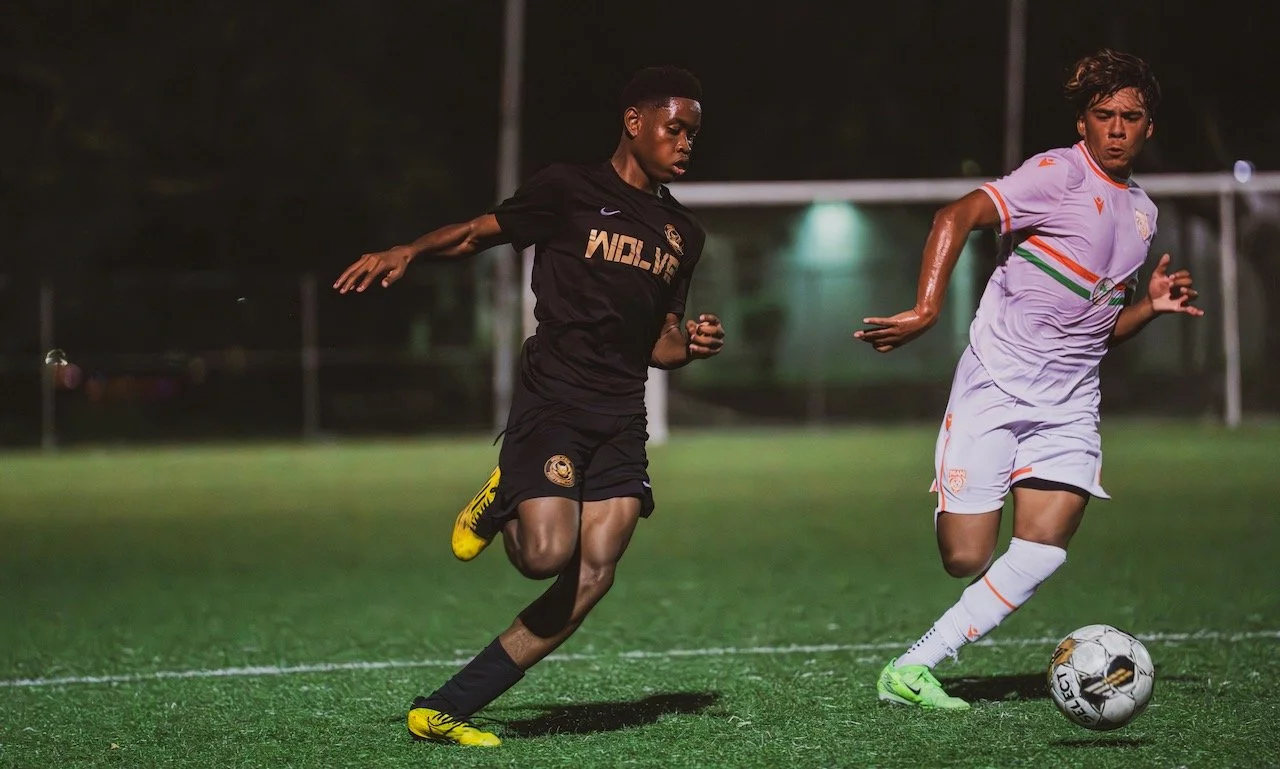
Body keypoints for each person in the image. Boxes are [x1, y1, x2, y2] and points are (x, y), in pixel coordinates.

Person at [333, 65, 725, 746]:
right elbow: (476, 233)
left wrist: (690, 344)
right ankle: (506, 491)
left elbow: (661, 340)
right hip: (556, 398)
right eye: (675, 128)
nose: (686, 143)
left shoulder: (682, 234)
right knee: (546, 554)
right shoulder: (568, 189)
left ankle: (446, 706)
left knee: (594, 571)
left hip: (620, 415)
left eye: (693, 133)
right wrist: (410, 250)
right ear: (634, 122)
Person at [854, 49, 1202, 710]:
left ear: (1149, 126)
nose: (1118, 128)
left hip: (1069, 405)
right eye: (1105, 116)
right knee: (965, 556)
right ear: (1084, 122)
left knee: (1044, 548)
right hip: (995, 385)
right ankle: (969, 478)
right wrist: (927, 308)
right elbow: (955, 214)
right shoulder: (1057, 173)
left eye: (1132, 116)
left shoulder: (1143, 214)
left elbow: (1097, 329)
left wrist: (1149, 307)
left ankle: (913, 666)